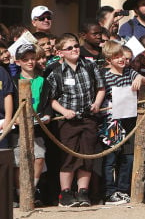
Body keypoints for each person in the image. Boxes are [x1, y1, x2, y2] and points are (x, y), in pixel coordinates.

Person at [46, 33, 105, 207]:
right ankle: (65, 193)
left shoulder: (89, 66)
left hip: (88, 118)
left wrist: (96, 103)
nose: (74, 50)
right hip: (67, 121)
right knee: (69, 157)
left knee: (87, 155)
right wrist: (64, 111)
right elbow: (51, 99)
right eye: (69, 48)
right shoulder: (55, 72)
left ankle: (83, 192)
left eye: (76, 46)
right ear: (60, 52)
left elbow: (100, 88)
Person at [100, 40, 145, 205]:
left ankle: (122, 190)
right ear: (109, 60)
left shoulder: (130, 72)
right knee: (110, 159)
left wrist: (140, 80)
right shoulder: (104, 75)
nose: (121, 59)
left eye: (122, 55)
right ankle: (109, 192)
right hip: (111, 122)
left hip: (129, 120)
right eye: (116, 57)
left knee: (128, 157)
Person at [10, 44, 45, 207]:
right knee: (19, 161)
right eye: (25, 59)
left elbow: (46, 102)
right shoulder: (14, 82)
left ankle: (31, 190)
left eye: (33, 58)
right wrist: (14, 119)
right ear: (18, 62)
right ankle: (20, 194)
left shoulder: (42, 80)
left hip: (38, 126)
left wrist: (48, 115)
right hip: (18, 127)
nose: (30, 62)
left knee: (39, 158)